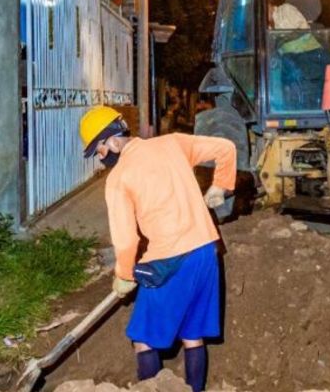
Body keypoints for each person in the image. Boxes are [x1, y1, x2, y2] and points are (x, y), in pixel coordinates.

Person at [78, 106, 236, 392]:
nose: (101, 158)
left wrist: (124, 275)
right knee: (192, 335)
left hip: (170, 262)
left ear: (112, 139)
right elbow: (225, 147)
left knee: (143, 339)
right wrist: (221, 186)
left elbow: (126, 240)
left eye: (99, 149)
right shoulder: (172, 143)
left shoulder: (118, 178)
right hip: (206, 253)